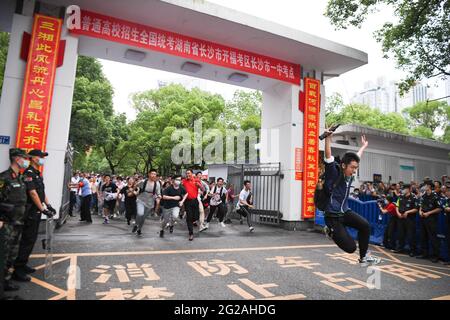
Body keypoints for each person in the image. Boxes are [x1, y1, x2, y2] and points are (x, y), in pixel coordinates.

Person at [323, 131, 381, 267]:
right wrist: (327, 139)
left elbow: (357, 158)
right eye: (352, 168)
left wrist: (363, 147)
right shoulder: (334, 173)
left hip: (344, 211)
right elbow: (328, 157)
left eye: (356, 168)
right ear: (344, 166)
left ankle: (363, 258)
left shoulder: (350, 175)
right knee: (350, 248)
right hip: (333, 216)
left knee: (365, 225)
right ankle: (329, 231)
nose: (354, 171)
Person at [13, 149, 55, 282]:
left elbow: (41, 192)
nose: (43, 159)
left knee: (31, 239)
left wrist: (48, 205)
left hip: (36, 211)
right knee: (27, 240)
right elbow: (32, 193)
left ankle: (23, 264)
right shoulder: (29, 173)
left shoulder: (37, 174)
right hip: (30, 212)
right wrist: (42, 209)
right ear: (34, 158)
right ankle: (18, 270)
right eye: (41, 156)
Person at [0, 148, 30, 294]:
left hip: (18, 223)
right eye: (25, 158)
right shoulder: (4, 177)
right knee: (3, 255)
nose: (26, 161)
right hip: (6, 224)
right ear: (17, 159)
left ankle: (6, 281)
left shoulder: (20, 178)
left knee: (12, 255)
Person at [417, 182, 442, 263]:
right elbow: (420, 204)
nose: (424, 187)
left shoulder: (435, 196)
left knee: (433, 237)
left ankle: (435, 256)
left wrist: (429, 213)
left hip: (431, 219)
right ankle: (424, 254)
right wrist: (420, 211)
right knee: (423, 236)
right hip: (423, 218)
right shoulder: (424, 195)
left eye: (425, 186)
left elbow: (439, 208)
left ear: (429, 187)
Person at [135, 169, 161, 236]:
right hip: (141, 200)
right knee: (140, 213)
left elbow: (158, 193)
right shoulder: (144, 181)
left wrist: (159, 197)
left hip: (150, 203)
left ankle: (139, 229)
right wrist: (135, 188)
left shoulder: (157, 184)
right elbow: (136, 186)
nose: (153, 175)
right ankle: (136, 224)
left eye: (155, 174)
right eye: (152, 173)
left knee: (143, 217)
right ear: (149, 174)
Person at [180, 169, 204, 241]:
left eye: (189, 173)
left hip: (195, 201)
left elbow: (203, 189)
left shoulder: (196, 180)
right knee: (189, 218)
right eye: (186, 173)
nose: (188, 175)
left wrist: (199, 185)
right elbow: (180, 189)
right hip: (187, 201)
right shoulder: (184, 181)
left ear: (192, 174)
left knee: (196, 217)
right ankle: (191, 234)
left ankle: (193, 221)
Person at [395, 184, 419, 256]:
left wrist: (407, 212)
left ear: (409, 189)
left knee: (410, 235)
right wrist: (398, 213)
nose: (403, 190)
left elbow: (416, 209)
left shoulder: (414, 197)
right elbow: (397, 206)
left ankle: (412, 251)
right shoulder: (401, 196)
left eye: (404, 189)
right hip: (401, 218)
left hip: (410, 219)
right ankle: (400, 248)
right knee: (400, 234)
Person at [443, 188, 450, 265]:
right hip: (447, 222)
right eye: (446, 191)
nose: (447, 193)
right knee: (448, 241)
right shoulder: (447, 200)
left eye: (448, 191)